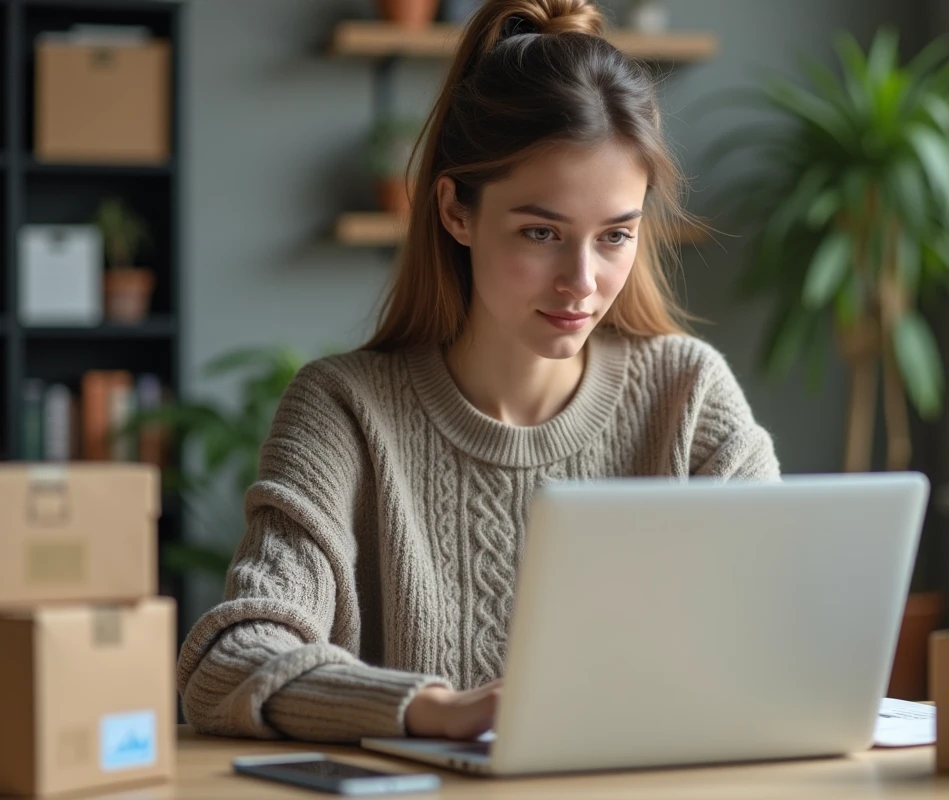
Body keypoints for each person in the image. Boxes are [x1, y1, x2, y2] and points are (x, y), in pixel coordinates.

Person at [176, 0, 780, 745]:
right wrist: (435, 709)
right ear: (456, 212)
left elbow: (779, 636)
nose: (582, 281)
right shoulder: (342, 410)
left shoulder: (690, 397)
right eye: (541, 232)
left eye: (615, 236)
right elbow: (227, 660)